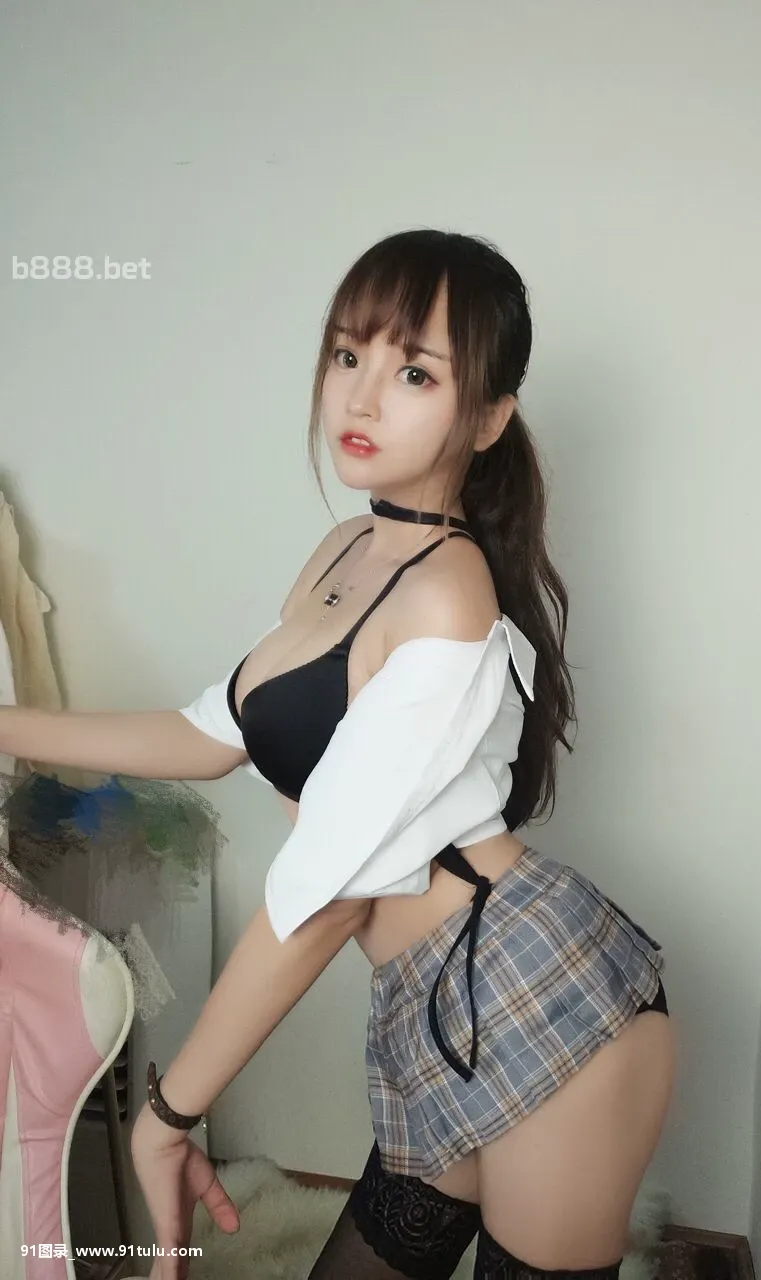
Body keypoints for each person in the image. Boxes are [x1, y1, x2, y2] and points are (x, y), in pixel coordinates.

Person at [1, 229, 676, 1279]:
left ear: (488, 416)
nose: (360, 397)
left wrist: (167, 1114)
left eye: (414, 373)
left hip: (543, 1001)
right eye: (348, 354)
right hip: (428, 1006)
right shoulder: (349, 549)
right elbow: (210, 731)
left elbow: (327, 893)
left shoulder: (448, 596)